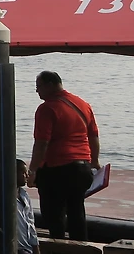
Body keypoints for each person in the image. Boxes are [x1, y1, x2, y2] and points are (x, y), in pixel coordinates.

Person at [27, 71, 99, 241]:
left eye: (39, 87)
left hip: (56, 169)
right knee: (77, 211)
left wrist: (33, 170)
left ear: (50, 85)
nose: (37, 91)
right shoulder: (83, 104)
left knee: (54, 215)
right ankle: (81, 253)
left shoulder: (47, 108)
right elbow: (94, 136)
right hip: (82, 169)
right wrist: (94, 161)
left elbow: (41, 143)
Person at [16, 159, 42, 254]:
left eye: (28, 173)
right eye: (23, 173)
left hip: (27, 247)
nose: (27, 176)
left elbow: (31, 225)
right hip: (17, 249)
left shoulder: (25, 196)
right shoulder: (5, 198)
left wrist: (37, 252)